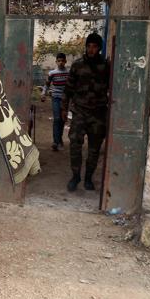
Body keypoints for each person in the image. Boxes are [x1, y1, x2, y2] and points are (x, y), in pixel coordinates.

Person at [61, 33, 110, 192]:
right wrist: (63, 107)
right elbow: (68, 89)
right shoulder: (77, 65)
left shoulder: (106, 66)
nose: (91, 49)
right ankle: (75, 176)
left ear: (99, 49)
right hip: (80, 112)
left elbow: (114, 88)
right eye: (89, 46)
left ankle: (88, 178)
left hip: (98, 113)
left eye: (94, 47)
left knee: (94, 148)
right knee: (75, 145)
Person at [41, 52, 69, 151]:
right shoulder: (52, 73)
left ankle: (59, 138)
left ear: (65, 61)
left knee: (62, 119)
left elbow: (71, 86)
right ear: (56, 62)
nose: (61, 62)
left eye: (62, 61)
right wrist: (43, 94)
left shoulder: (68, 73)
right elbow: (47, 84)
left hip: (65, 99)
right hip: (55, 98)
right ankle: (55, 142)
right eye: (59, 61)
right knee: (57, 118)